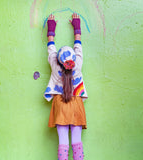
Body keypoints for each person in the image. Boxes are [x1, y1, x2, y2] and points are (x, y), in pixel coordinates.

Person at [44, 13, 88, 160]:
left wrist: (51, 28)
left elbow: (51, 47)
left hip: (60, 104)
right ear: (74, 60)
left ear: (58, 60)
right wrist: (77, 26)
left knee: (63, 142)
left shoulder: (55, 65)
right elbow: (78, 46)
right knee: (77, 142)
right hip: (76, 104)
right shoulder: (79, 65)